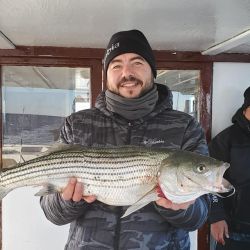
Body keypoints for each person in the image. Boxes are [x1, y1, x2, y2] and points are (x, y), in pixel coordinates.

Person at [40, 29, 210, 250]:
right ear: (107, 74)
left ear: (153, 70)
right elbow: (52, 213)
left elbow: (200, 216)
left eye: (137, 63)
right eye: (116, 65)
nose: (127, 73)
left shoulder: (185, 127)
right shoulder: (77, 124)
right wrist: (68, 201)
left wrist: (177, 206)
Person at [209, 86, 250, 250]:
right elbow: (209, 181)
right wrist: (216, 217)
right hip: (234, 231)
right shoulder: (226, 140)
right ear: (247, 107)